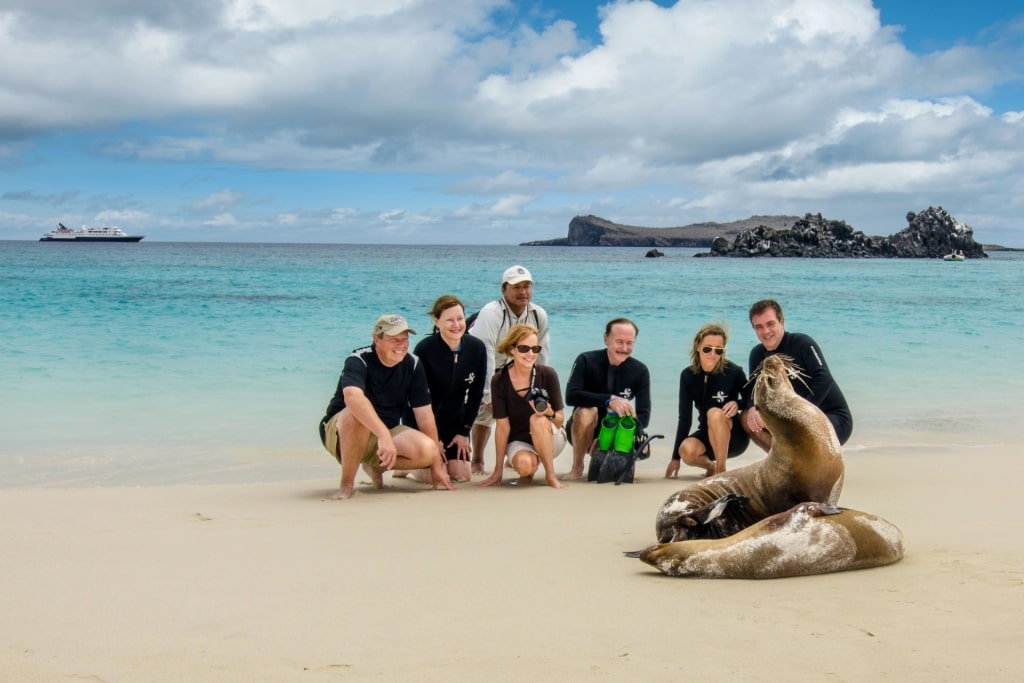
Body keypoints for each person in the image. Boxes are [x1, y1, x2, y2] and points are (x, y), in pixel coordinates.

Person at [318, 314, 456, 499]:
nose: (401, 345)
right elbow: (352, 397)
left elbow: (424, 415)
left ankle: (375, 466)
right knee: (355, 414)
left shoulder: (413, 364)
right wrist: (384, 436)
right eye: (394, 340)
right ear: (377, 339)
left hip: (383, 435)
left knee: (429, 449)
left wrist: (436, 465)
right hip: (340, 431)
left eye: (404, 339)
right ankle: (347, 485)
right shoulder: (359, 359)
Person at [467, 265, 551, 474]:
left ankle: (513, 454)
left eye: (527, 286)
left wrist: (541, 390)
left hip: (515, 367)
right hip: (481, 365)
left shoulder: (538, 314)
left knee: (524, 410)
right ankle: (477, 460)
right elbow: (484, 354)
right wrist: (488, 396)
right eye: (516, 287)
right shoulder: (491, 313)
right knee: (484, 414)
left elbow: (542, 353)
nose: (523, 292)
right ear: (504, 289)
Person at [742, 299, 853, 451]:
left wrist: (801, 414)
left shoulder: (802, 343)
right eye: (759, 327)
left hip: (831, 417)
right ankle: (783, 464)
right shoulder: (757, 354)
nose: (766, 331)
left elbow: (824, 378)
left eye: (771, 324)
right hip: (791, 421)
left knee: (801, 431)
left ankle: (808, 468)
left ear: (782, 322)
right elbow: (752, 390)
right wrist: (753, 408)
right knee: (747, 418)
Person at [401, 295, 487, 483]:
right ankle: (404, 466)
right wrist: (433, 438)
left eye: (460, 318)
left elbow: (476, 394)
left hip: (455, 423)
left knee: (460, 476)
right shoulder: (425, 349)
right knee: (433, 478)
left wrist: (464, 432)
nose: (456, 324)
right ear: (436, 321)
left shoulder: (477, 348)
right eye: (449, 320)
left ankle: (426, 459)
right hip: (422, 422)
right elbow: (415, 399)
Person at [562, 317, 651, 480]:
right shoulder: (586, 360)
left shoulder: (640, 370)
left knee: (629, 415)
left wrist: (610, 435)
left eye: (629, 343)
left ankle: (609, 451)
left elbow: (644, 416)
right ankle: (577, 467)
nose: (624, 348)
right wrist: (610, 399)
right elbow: (570, 396)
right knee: (586, 411)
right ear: (606, 339)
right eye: (619, 342)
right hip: (582, 430)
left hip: (614, 431)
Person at [479, 324, 566, 489]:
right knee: (524, 466)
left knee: (537, 419)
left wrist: (549, 413)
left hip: (551, 436)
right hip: (520, 440)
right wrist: (498, 471)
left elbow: (560, 421)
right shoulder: (499, 380)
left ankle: (550, 474)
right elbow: (503, 427)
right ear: (512, 349)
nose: (530, 354)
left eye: (535, 348)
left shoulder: (548, 374)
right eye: (524, 348)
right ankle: (530, 468)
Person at [666, 323, 750, 478]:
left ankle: (721, 471)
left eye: (718, 350)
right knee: (687, 450)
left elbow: (751, 398)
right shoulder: (688, 376)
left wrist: (737, 403)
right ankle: (711, 468)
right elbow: (684, 419)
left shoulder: (734, 371)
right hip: (707, 432)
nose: (712, 354)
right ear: (698, 346)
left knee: (714, 413)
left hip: (734, 436)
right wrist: (675, 458)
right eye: (707, 348)